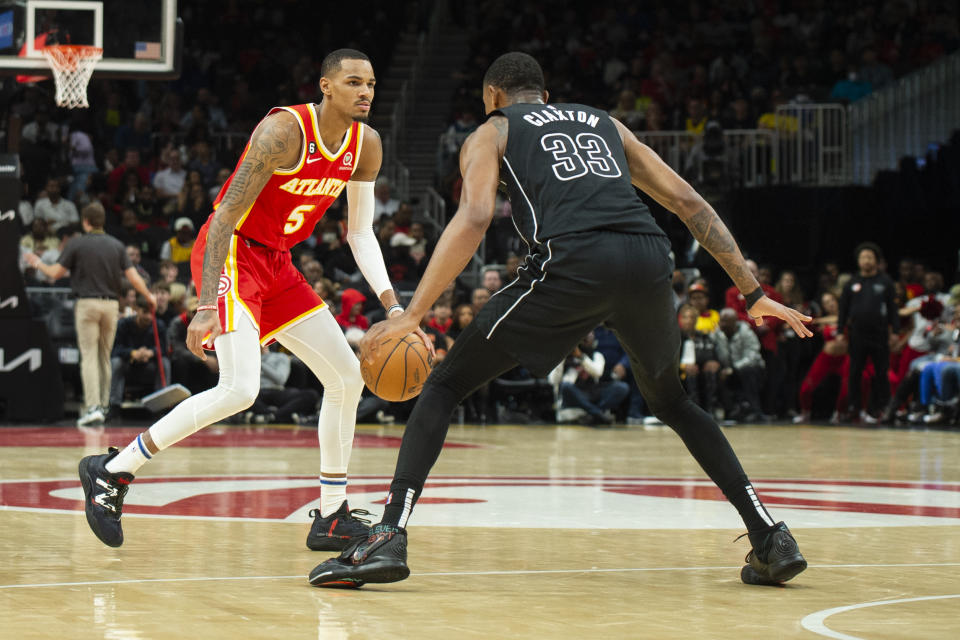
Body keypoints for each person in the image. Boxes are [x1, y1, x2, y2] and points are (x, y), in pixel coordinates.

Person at [310, 52, 812, 589]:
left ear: (492, 98)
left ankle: (388, 536)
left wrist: (413, 313)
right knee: (673, 402)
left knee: (446, 384)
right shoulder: (605, 122)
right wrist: (752, 290)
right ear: (545, 96)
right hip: (647, 257)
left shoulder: (492, 131)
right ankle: (770, 536)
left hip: (571, 262)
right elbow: (690, 202)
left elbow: (476, 216)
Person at [77, 49, 432, 550]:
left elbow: (359, 233)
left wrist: (396, 308)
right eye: (353, 82)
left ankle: (331, 515)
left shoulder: (366, 145)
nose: (366, 92)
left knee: (348, 377)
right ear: (326, 86)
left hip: (278, 262)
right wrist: (204, 305)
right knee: (240, 389)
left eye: (371, 83)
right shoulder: (284, 132)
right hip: (233, 252)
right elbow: (223, 218)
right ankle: (113, 470)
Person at [24, 203, 155, 427]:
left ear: (85, 221)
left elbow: (55, 273)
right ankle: (103, 406)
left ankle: (93, 407)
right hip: (111, 306)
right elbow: (133, 277)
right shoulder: (116, 245)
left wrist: (37, 263)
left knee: (89, 356)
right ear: (102, 221)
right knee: (104, 356)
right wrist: (148, 296)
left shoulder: (77, 243)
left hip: (87, 304)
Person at [837, 242, 899, 422]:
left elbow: (893, 308)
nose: (866, 261)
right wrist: (840, 331)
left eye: (870, 257)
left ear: (876, 261)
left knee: (881, 372)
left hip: (879, 334)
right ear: (858, 261)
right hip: (857, 335)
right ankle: (854, 408)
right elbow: (843, 309)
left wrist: (895, 331)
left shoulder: (885, 282)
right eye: (863, 257)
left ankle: (883, 408)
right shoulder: (852, 283)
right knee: (854, 372)